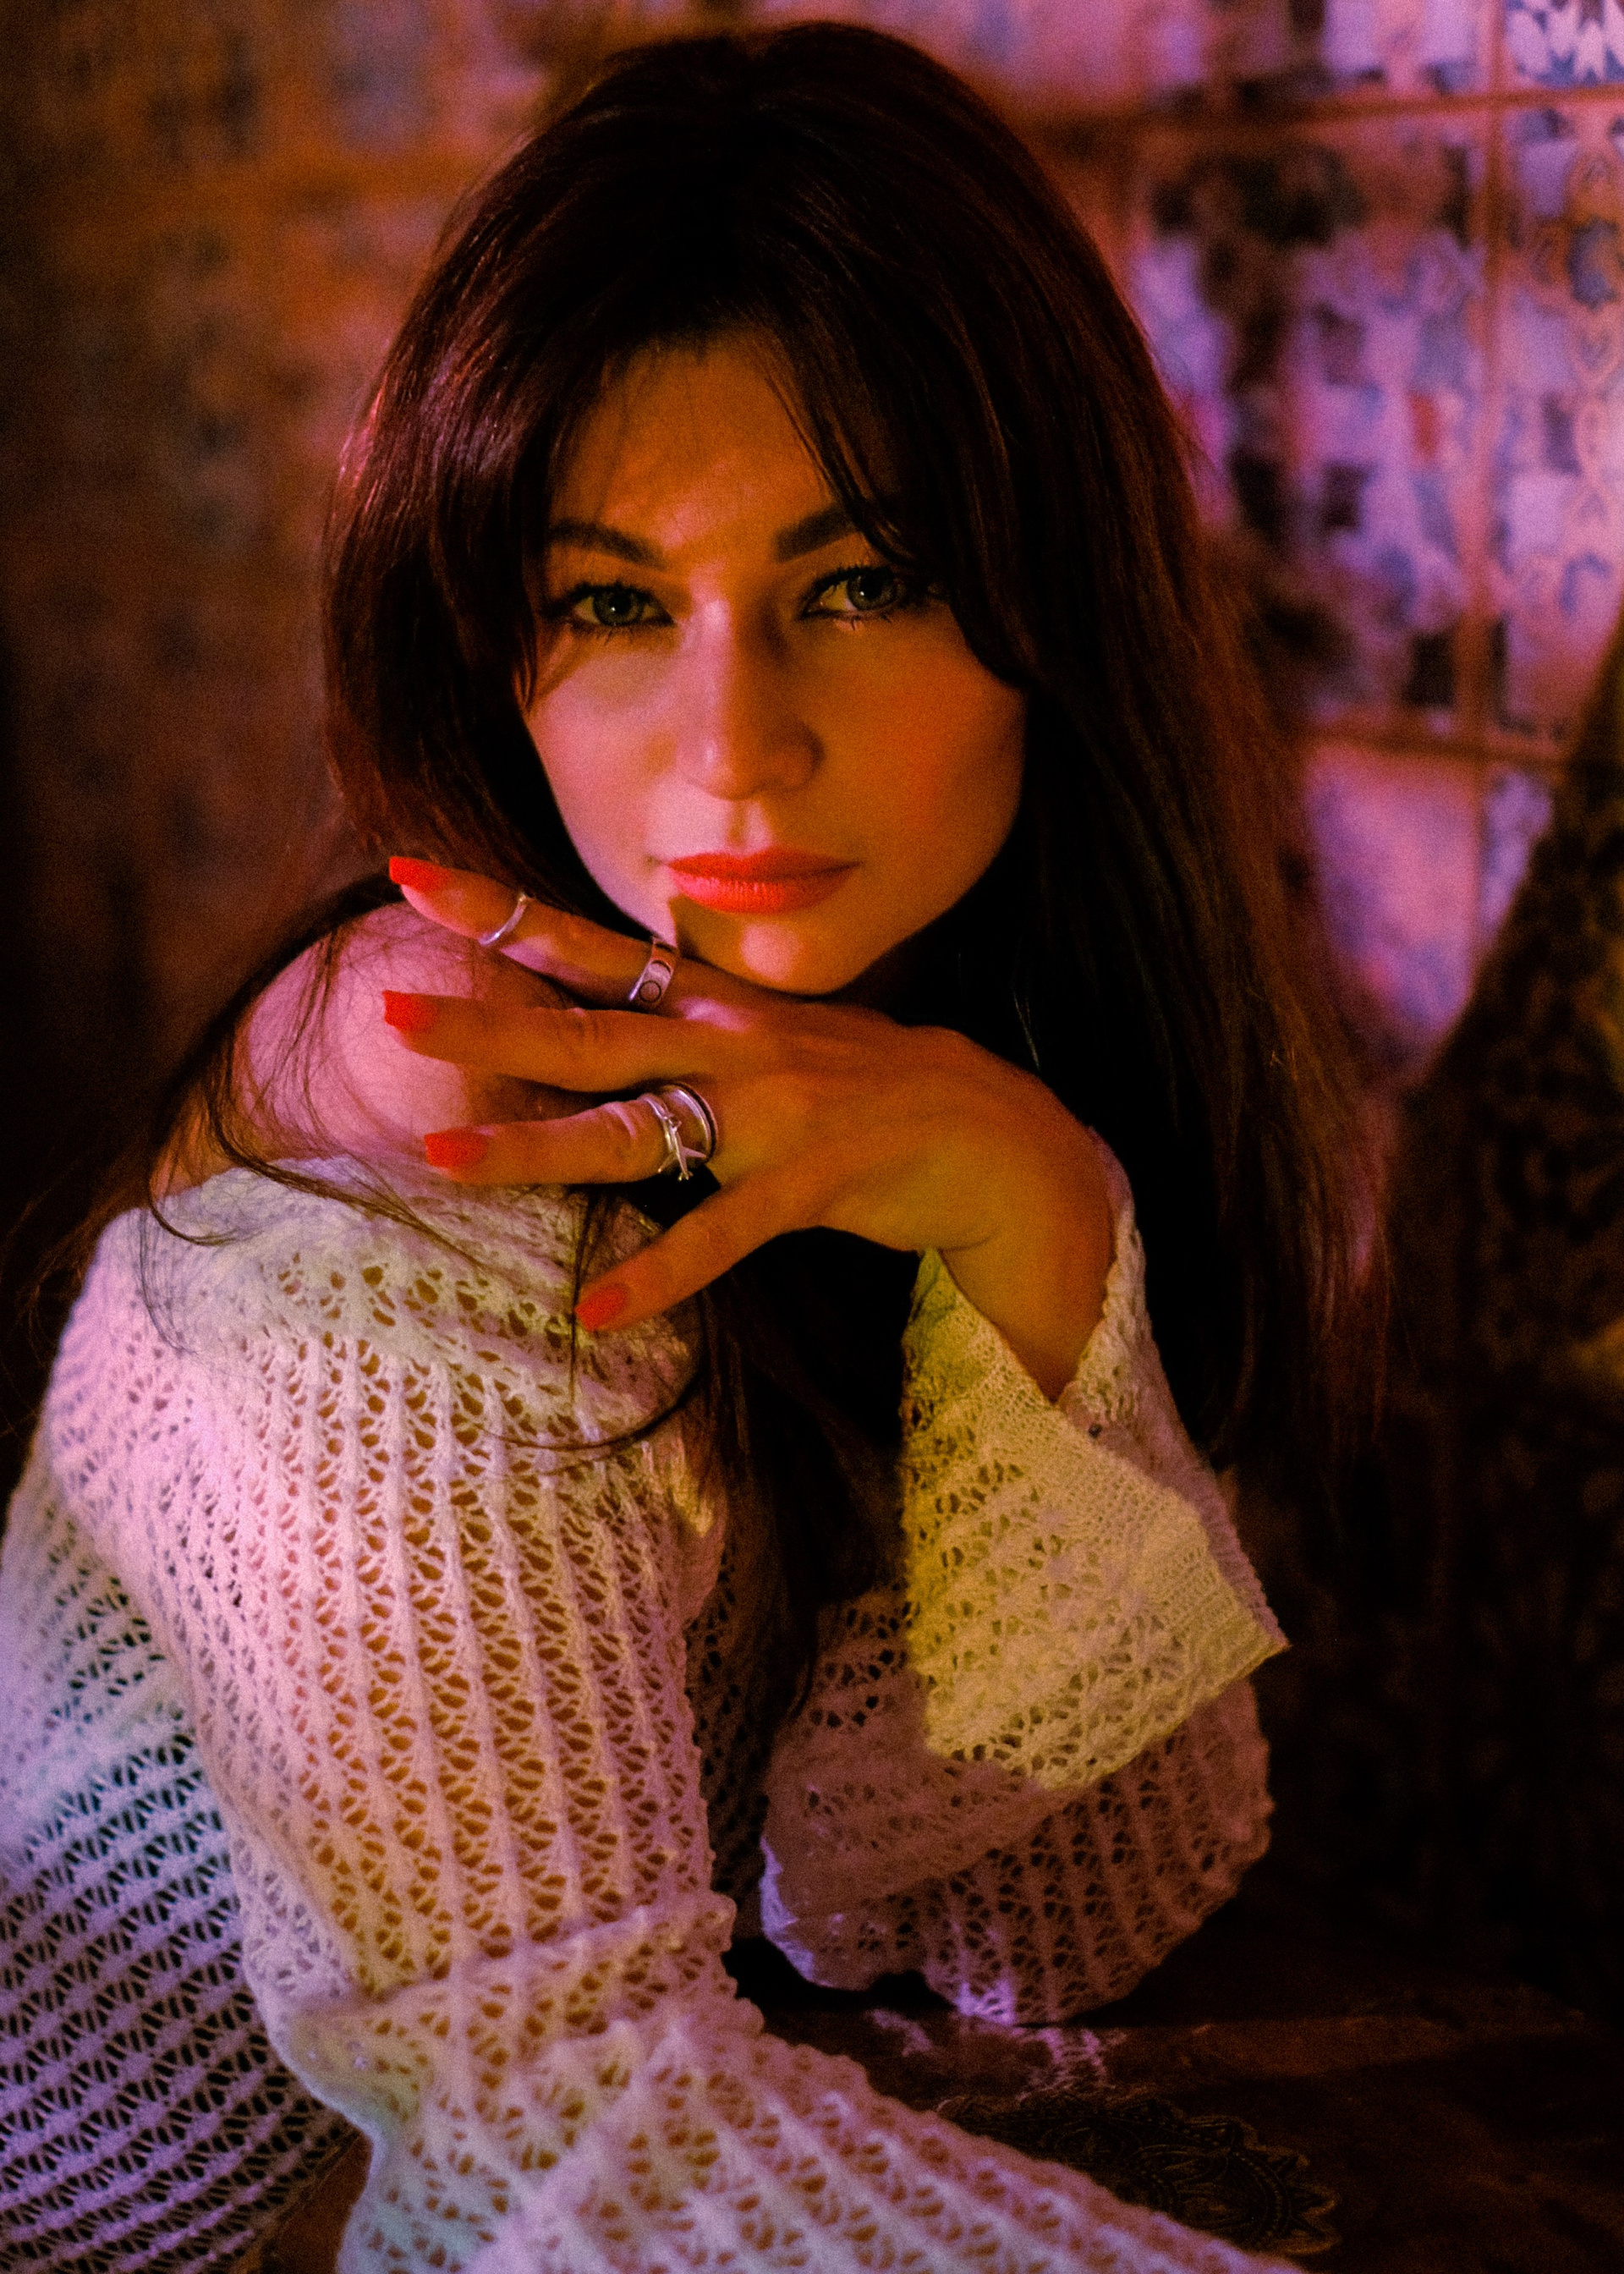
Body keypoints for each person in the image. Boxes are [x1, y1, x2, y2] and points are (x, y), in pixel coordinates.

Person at [0, 25, 1369, 2271]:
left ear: (1058, 612)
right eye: (617, 603)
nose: (736, 751)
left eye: (861, 581)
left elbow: (1050, 1926)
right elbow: (541, 2154)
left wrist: (1038, 1224)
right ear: (493, 645)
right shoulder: (422, 1163)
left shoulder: (900, 1087)